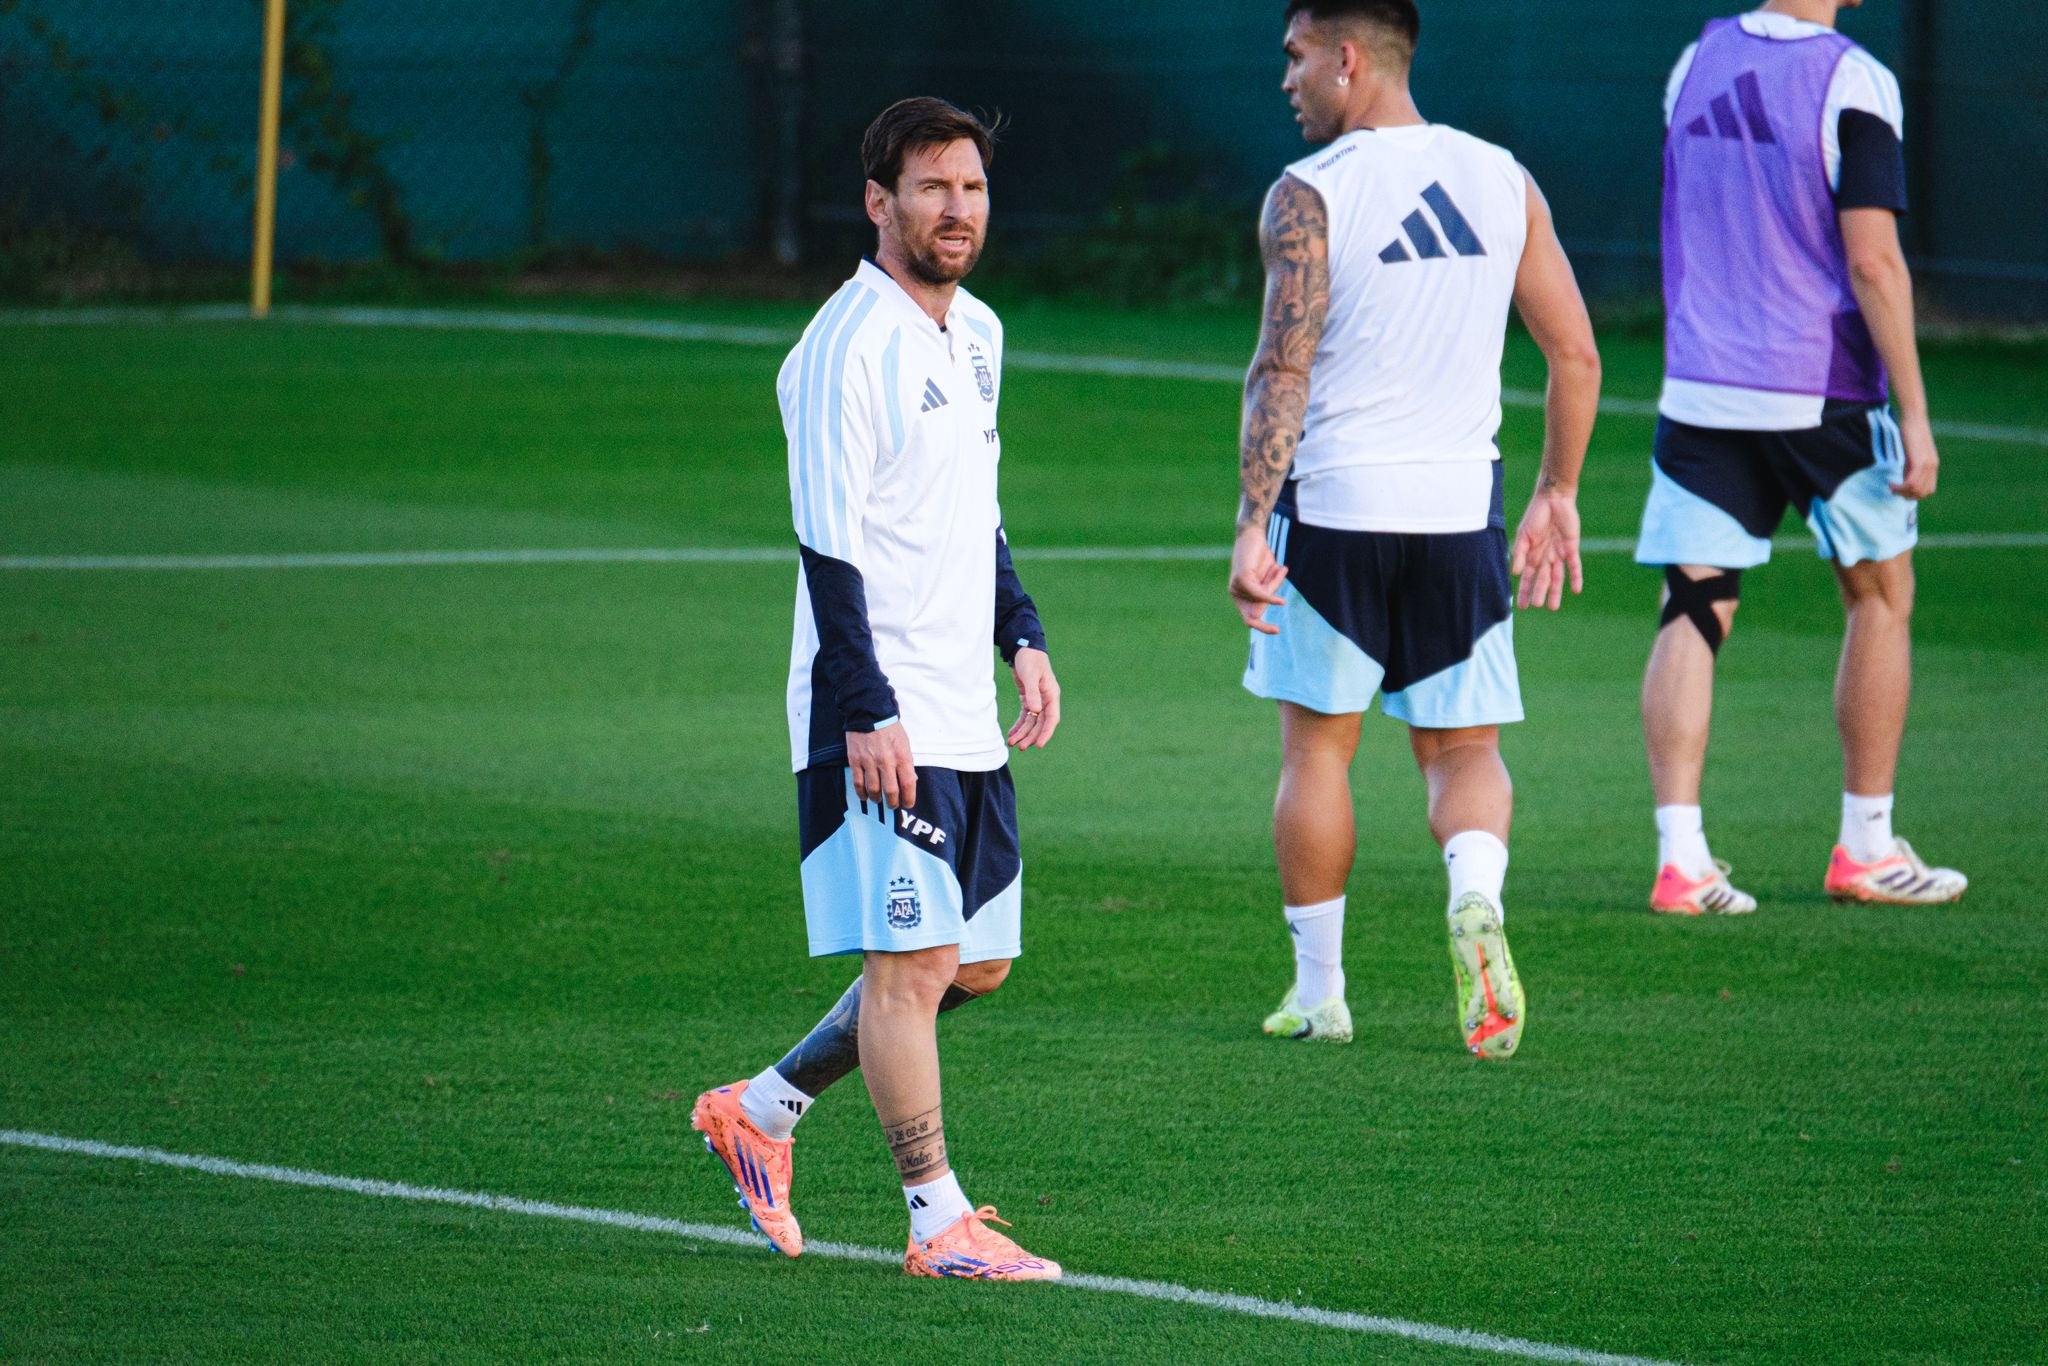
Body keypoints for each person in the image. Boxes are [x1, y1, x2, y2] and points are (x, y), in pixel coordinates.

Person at [691, 97, 1063, 1281]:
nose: (957, 210)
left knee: (974, 964)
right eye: (932, 189)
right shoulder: (843, 348)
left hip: (960, 699)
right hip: (874, 706)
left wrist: (1022, 634)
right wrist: (864, 707)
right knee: (909, 968)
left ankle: (761, 1109)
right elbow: (828, 543)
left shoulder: (980, 334)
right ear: (878, 203)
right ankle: (935, 1222)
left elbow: (976, 510)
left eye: (973, 189)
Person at [1228, 0, 1601, 1057]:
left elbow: (1281, 368)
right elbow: (1574, 356)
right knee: (1463, 748)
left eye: (1297, 58)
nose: (1287, 79)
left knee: (1317, 750)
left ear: (1348, 60)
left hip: (1337, 511)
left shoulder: (1310, 195)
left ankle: (1319, 993)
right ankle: (1472, 895)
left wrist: (1252, 519)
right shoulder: (1501, 177)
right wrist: (1556, 491)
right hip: (1458, 516)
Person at [1637, 0, 1966, 914]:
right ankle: (1865, 845)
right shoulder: (1853, 79)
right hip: (1820, 389)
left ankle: (1682, 860)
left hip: (1700, 385)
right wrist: (1918, 410)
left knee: (1694, 606)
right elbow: (1875, 263)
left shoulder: (1694, 59)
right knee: (1881, 595)